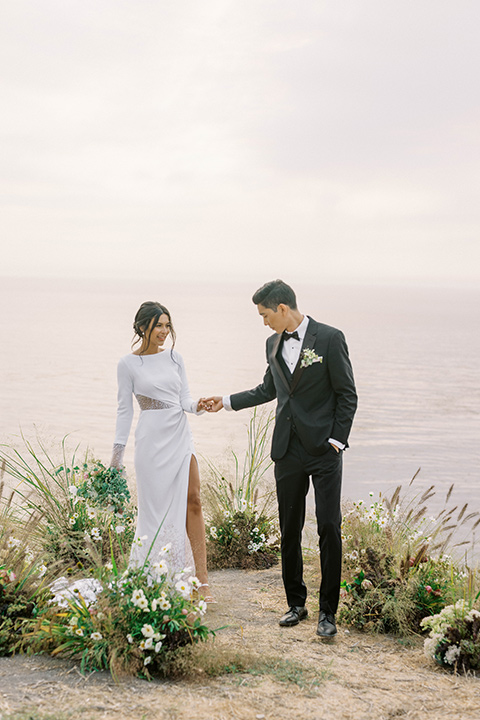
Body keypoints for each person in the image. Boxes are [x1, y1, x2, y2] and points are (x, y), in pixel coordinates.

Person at [205, 280, 357, 636]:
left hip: (323, 451)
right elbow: (268, 390)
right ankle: (296, 604)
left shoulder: (331, 339)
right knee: (289, 530)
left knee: (328, 528)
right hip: (286, 450)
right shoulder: (272, 344)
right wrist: (225, 402)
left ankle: (328, 614)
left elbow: (347, 394)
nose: (263, 322)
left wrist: (337, 441)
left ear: (283, 309)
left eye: (265, 315)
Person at [110, 301, 214, 602]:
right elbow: (124, 412)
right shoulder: (127, 364)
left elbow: (184, 399)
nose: (165, 332)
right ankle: (154, 576)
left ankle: (201, 582)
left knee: (193, 500)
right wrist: (117, 458)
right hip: (150, 442)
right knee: (153, 513)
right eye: (159, 326)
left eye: (168, 325)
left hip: (180, 435)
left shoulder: (175, 358)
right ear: (143, 327)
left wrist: (199, 406)